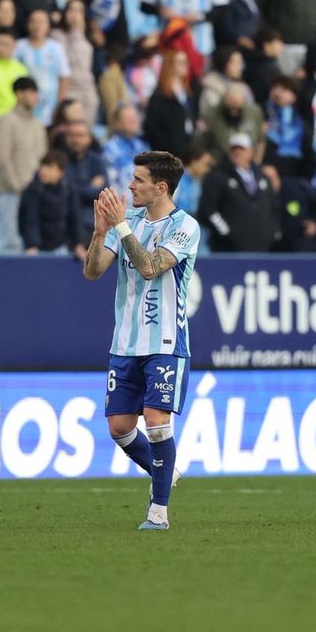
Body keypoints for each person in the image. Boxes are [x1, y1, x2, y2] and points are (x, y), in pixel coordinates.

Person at [82, 152, 201, 531]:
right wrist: (101, 230)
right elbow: (92, 272)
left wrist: (119, 227)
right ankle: (166, 471)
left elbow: (150, 268)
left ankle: (158, 512)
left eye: (138, 180)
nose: (130, 186)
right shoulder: (128, 220)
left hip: (165, 340)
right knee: (119, 427)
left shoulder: (185, 227)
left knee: (155, 420)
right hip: (124, 342)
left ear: (160, 187)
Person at [0, 77, 48, 252]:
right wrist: (17, 186)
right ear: (19, 94)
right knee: (11, 243)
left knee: (33, 245)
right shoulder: (6, 121)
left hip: (36, 194)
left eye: (36, 92)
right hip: (11, 193)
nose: (35, 97)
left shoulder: (39, 125)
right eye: (31, 92)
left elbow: (44, 161)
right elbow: (2, 158)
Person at [19, 149, 85, 255]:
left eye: (49, 167)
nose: (43, 170)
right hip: (37, 249)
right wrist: (32, 245)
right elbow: (30, 220)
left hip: (61, 247)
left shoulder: (68, 190)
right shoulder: (32, 190)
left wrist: (78, 243)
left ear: (61, 171)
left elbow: (74, 218)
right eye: (42, 165)